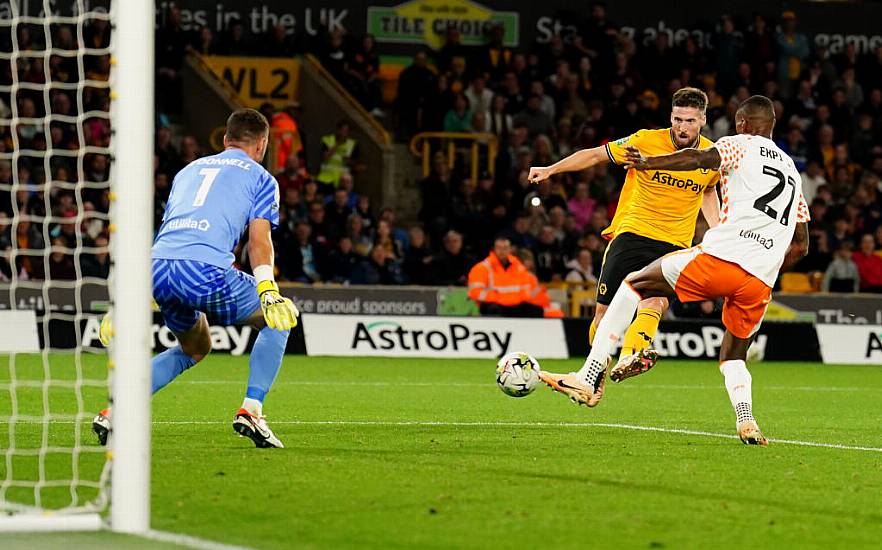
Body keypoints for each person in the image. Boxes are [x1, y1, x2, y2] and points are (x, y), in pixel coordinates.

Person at [540, 96, 810, 446]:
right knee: (732, 356)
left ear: (741, 123)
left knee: (635, 286)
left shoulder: (736, 146)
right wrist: (764, 266)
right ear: (772, 125)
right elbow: (801, 245)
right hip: (759, 280)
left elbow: (698, 158)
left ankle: (588, 375)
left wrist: (650, 163)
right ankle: (746, 420)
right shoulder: (792, 171)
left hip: (721, 257)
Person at [94, 109, 299, 449]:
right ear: (262, 144)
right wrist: (267, 289)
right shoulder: (261, 178)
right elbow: (258, 241)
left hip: (156, 268)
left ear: (224, 140)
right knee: (279, 318)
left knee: (195, 346)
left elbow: (172, 229)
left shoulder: (188, 170)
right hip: (203, 271)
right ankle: (252, 410)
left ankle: (116, 411)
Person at [528, 88, 721, 378]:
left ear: (703, 119)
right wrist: (551, 169)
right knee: (603, 316)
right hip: (633, 233)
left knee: (654, 302)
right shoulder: (645, 141)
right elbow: (595, 156)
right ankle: (595, 378)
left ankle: (631, 356)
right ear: (670, 116)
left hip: (675, 244)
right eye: (678, 119)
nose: (682, 127)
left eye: (690, 121)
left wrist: (719, 232)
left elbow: (708, 192)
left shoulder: (710, 155)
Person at [467, 236, 543, 317]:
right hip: (493, 304)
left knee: (536, 310)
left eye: (505, 248)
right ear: (494, 249)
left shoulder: (519, 267)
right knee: (493, 309)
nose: (502, 251)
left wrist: (514, 300)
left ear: (510, 249)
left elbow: (526, 291)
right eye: (499, 248)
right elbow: (474, 292)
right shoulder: (482, 268)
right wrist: (498, 298)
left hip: (514, 304)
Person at [316, 120, 357, 192]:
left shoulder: (352, 144)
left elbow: (353, 162)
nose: (343, 133)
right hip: (326, 178)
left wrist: (348, 161)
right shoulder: (327, 140)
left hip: (342, 180)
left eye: (346, 131)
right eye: (342, 130)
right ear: (337, 130)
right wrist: (337, 144)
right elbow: (325, 158)